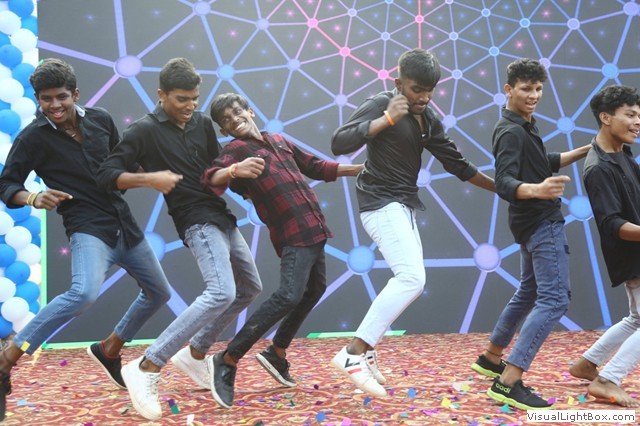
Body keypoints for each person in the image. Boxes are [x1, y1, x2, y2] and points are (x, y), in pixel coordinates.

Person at [0, 59, 172, 420]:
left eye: (61, 97)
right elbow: (6, 185)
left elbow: (123, 164)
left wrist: (157, 173)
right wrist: (32, 197)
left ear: (75, 94)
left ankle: (110, 349)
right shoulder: (32, 138)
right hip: (86, 226)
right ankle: (6, 360)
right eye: (46, 99)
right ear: (37, 99)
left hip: (124, 225)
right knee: (83, 293)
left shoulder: (101, 119)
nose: (54, 105)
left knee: (159, 293)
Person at [96, 59, 262, 420]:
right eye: (182, 99)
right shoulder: (142, 131)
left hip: (220, 214)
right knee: (221, 292)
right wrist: (148, 179)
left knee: (250, 287)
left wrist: (246, 168)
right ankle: (147, 365)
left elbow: (216, 167)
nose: (190, 106)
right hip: (194, 219)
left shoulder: (202, 123)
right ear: (161, 95)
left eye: (195, 99)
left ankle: (196, 352)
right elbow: (107, 174)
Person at [330, 48, 495, 397]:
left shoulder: (428, 118)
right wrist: (384, 120)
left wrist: (507, 190)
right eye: (417, 89)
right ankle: (353, 353)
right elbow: (338, 142)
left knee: (412, 281)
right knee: (412, 278)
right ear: (398, 83)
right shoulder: (381, 104)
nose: (424, 97)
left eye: (430, 90)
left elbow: (458, 165)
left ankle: (366, 351)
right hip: (379, 203)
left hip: (402, 206)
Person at [202, 93, 364, 408]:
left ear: (250, 110)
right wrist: (234, 171)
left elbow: (314, 166)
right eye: (227, 120)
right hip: (292, 232)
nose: (235, 119)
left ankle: (276, 353)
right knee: (289, 295)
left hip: (314, 227)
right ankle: (227, 358)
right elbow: (210, 179)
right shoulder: (235, 151)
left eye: (237, 112)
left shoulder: (277, 140)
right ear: (224, 130)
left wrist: (358, 169)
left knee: (314, 290)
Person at [470, 58, 591, 410]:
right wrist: (538, 190)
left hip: (530, 221)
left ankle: (491, 358)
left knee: (529, 292)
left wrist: (586, 150)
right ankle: (509, 381)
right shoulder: (511, 131)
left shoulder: (523, 126)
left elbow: (542, 161)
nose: (534, 95)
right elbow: (505, 181)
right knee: (555, 300)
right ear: (508, 90)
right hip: (540, 220)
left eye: (538, 89)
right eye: (526, 89)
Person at [568, 85, 640, 408]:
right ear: (606, 118)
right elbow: (613, 225)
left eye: (639, 115)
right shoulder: (598, 167)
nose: (637, 122)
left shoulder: (622, 152)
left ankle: (587, 364)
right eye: (630, 115)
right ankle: (608, 379)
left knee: (637, 319)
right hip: (631, 254)